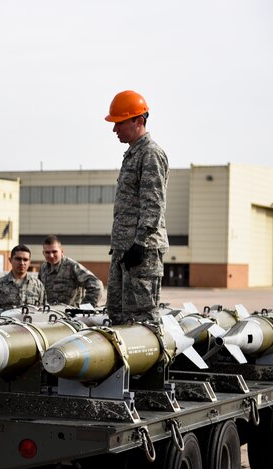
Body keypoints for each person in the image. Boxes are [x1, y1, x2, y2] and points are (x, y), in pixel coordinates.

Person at [104, 90, 169, 324]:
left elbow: (154, 203)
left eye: (119, 123)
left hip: (142, 252)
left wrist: (140, 243)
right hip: (124, 249)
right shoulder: (132, 154)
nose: (115, 130)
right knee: (118, 315)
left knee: (142, 320)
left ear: (138, 121)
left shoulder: (150, 154)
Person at [39, 235, 102, 307]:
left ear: (62, 251)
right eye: (47, 252)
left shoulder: (72, 266)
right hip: (49, 314)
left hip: (69, 316)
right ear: (43, 253)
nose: (51, 255)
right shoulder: (43, 268)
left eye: (54, 251)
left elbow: (97, 286)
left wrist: (85, 308)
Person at [0, 244, 45, 313]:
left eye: (25, 260)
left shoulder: (38, 286)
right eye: (18, 259)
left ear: (29, 262)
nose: (22, 263)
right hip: (7, 323)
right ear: (10, 260)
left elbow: (43, 313)